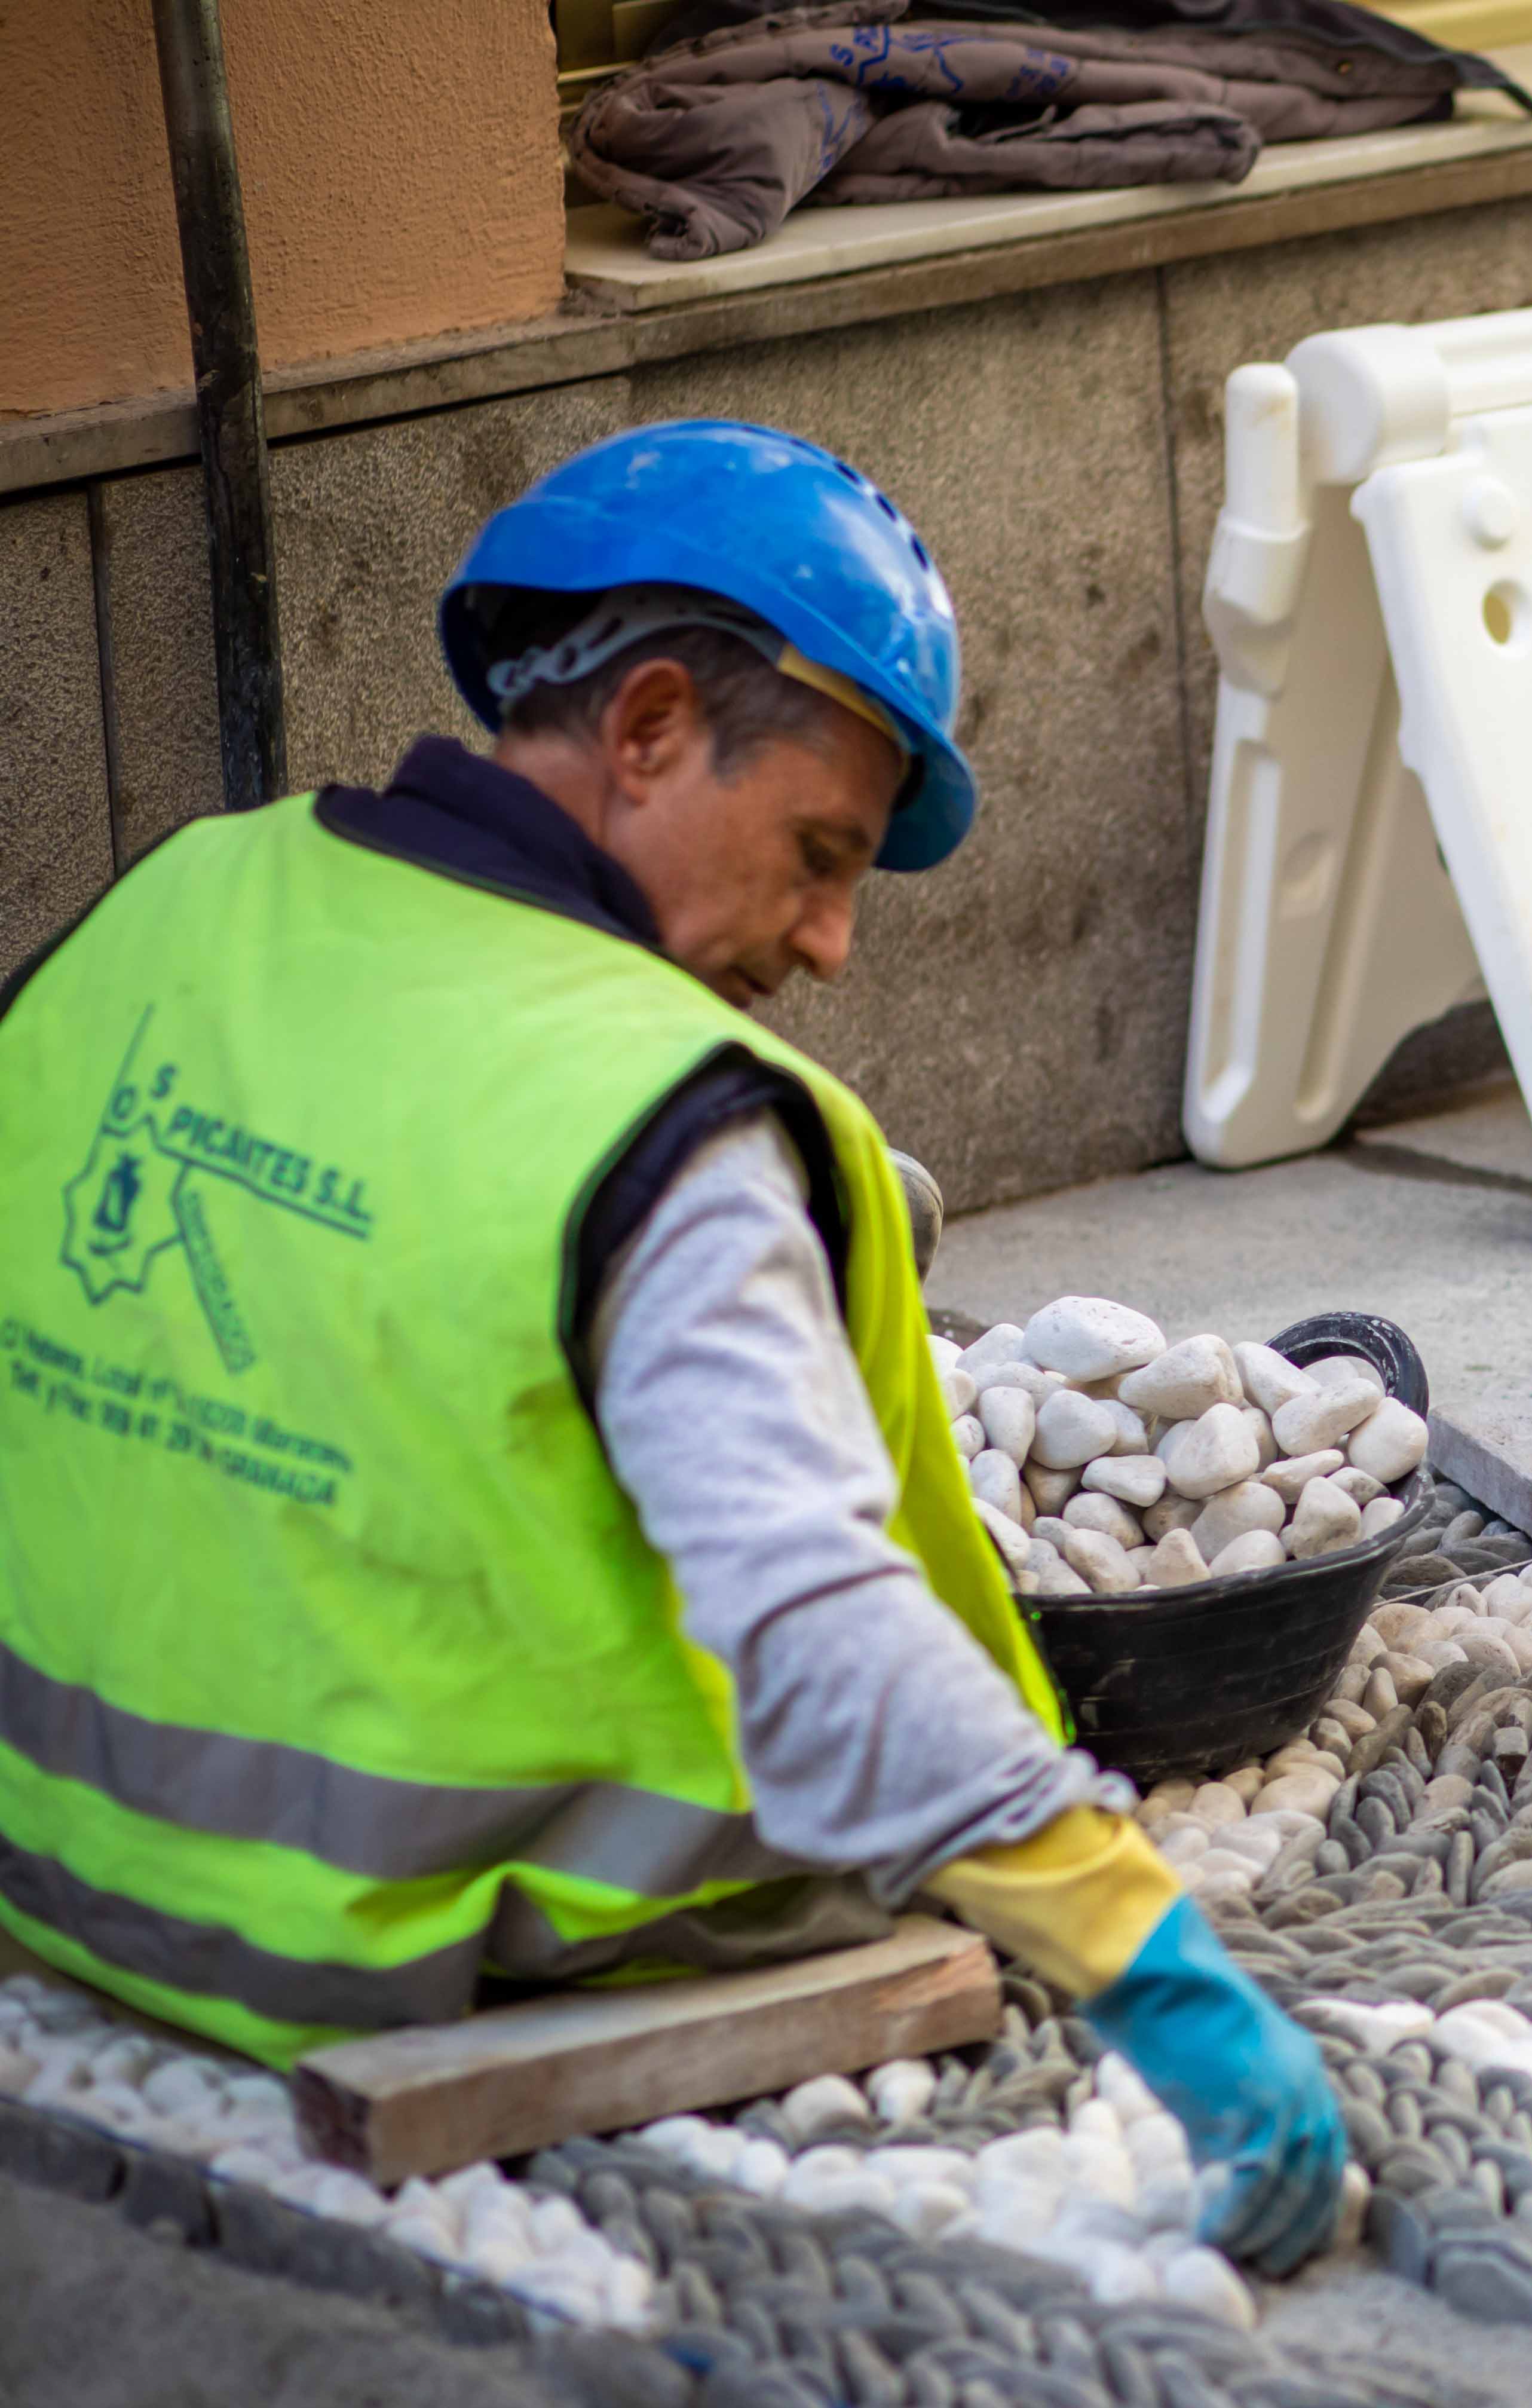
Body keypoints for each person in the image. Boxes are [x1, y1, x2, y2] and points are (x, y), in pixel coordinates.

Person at [0, 421, 1343, 2270]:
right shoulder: (660, 1123)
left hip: (53, 1863)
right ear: (645, 729)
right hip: (386, 1948)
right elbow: (811, 1624)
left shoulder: (170, 906)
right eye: (819, 853)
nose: (832, 942)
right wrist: (1144, 1952)